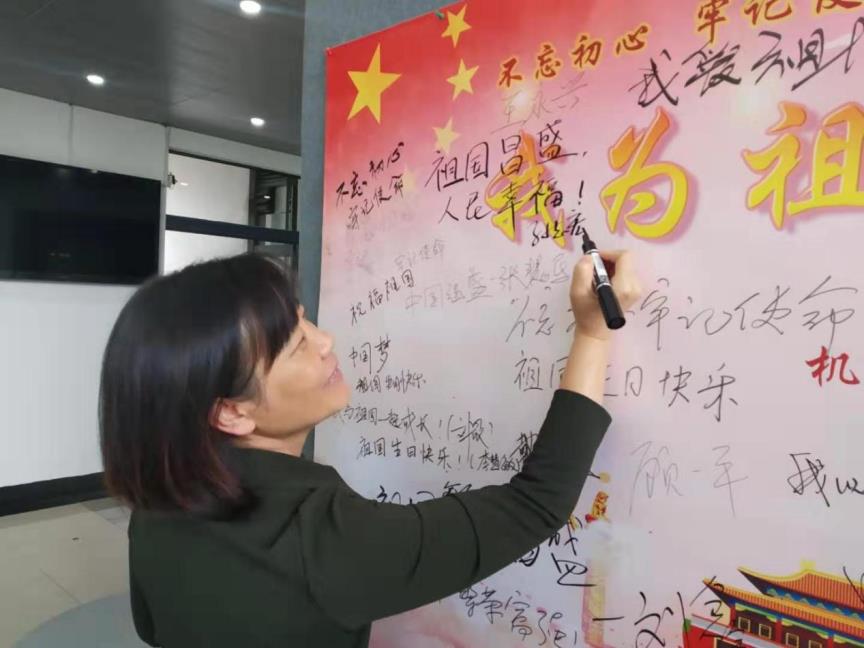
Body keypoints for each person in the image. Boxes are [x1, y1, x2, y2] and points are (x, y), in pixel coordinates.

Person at [99, 251, 640, 648]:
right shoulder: (322, 539)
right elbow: (535, 503)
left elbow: (154, 629)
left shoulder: (157, 502)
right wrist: (593, 335)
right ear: (231, 413)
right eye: (297, 344)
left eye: (304, 318)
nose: (325, 341)